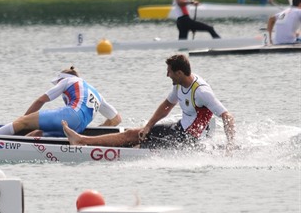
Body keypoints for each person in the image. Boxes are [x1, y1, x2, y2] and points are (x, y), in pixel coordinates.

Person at [62, 54, 236, 150]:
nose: (167, 75)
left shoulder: (201, 91)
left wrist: (230, 146)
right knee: (139, 133)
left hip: (185, 139)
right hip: (178, 129)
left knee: (131, 135)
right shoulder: (180, 83)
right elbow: (167, 105)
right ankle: (132, 143)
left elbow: (227, 117)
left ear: (179, 73)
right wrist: (149, 126)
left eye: (169, 72)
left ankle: (81, 141)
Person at [0, 66, 121, 137]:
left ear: (61, 79)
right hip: (78, 129)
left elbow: (40, 100)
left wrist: (24, 120)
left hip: (70, 116)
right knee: (37, 134)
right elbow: (116, 120)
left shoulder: (67, 81)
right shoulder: (96, 93)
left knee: (22, 121)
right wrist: (95, 133)